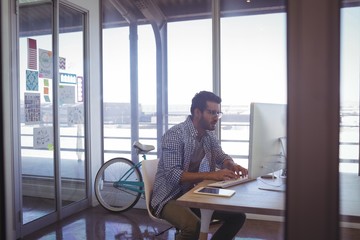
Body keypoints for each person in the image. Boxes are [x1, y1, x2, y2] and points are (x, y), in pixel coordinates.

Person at [150, 90, 248, 240]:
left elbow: (220, 156)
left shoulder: (209, 135)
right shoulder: (175, 135)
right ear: (197, 112)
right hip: (169, 197)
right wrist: (212, 175)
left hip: (194, 195)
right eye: (212, 113)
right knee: (193, 226)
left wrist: (231, 164)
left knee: (238, 217)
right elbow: (172, 174)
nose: (216, 118)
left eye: (218, 113)